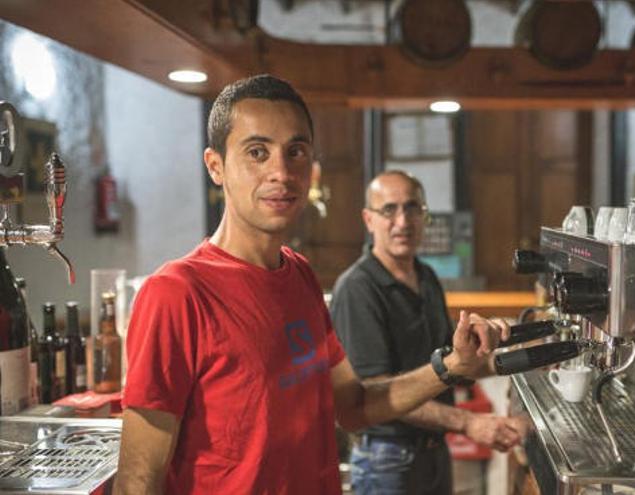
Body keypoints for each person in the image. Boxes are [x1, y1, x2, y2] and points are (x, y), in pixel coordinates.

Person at [114, 74, 511, 495]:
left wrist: (449, 367)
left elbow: (354, 407)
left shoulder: (299, 274)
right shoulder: (176, 293)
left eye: (296, 151)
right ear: (216, 166)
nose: (281, 172)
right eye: (257, 152)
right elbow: (137, 481)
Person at [331, 171, 523, 494]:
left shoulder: (427, 276)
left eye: (413, 208)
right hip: (387, 460)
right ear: (368, 219)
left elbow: (456, 366)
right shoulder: (357, 288)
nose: (403, 221)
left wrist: (519, 357)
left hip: (434, 453)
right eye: (389, 210)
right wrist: (468, 423)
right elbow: (374, 390)